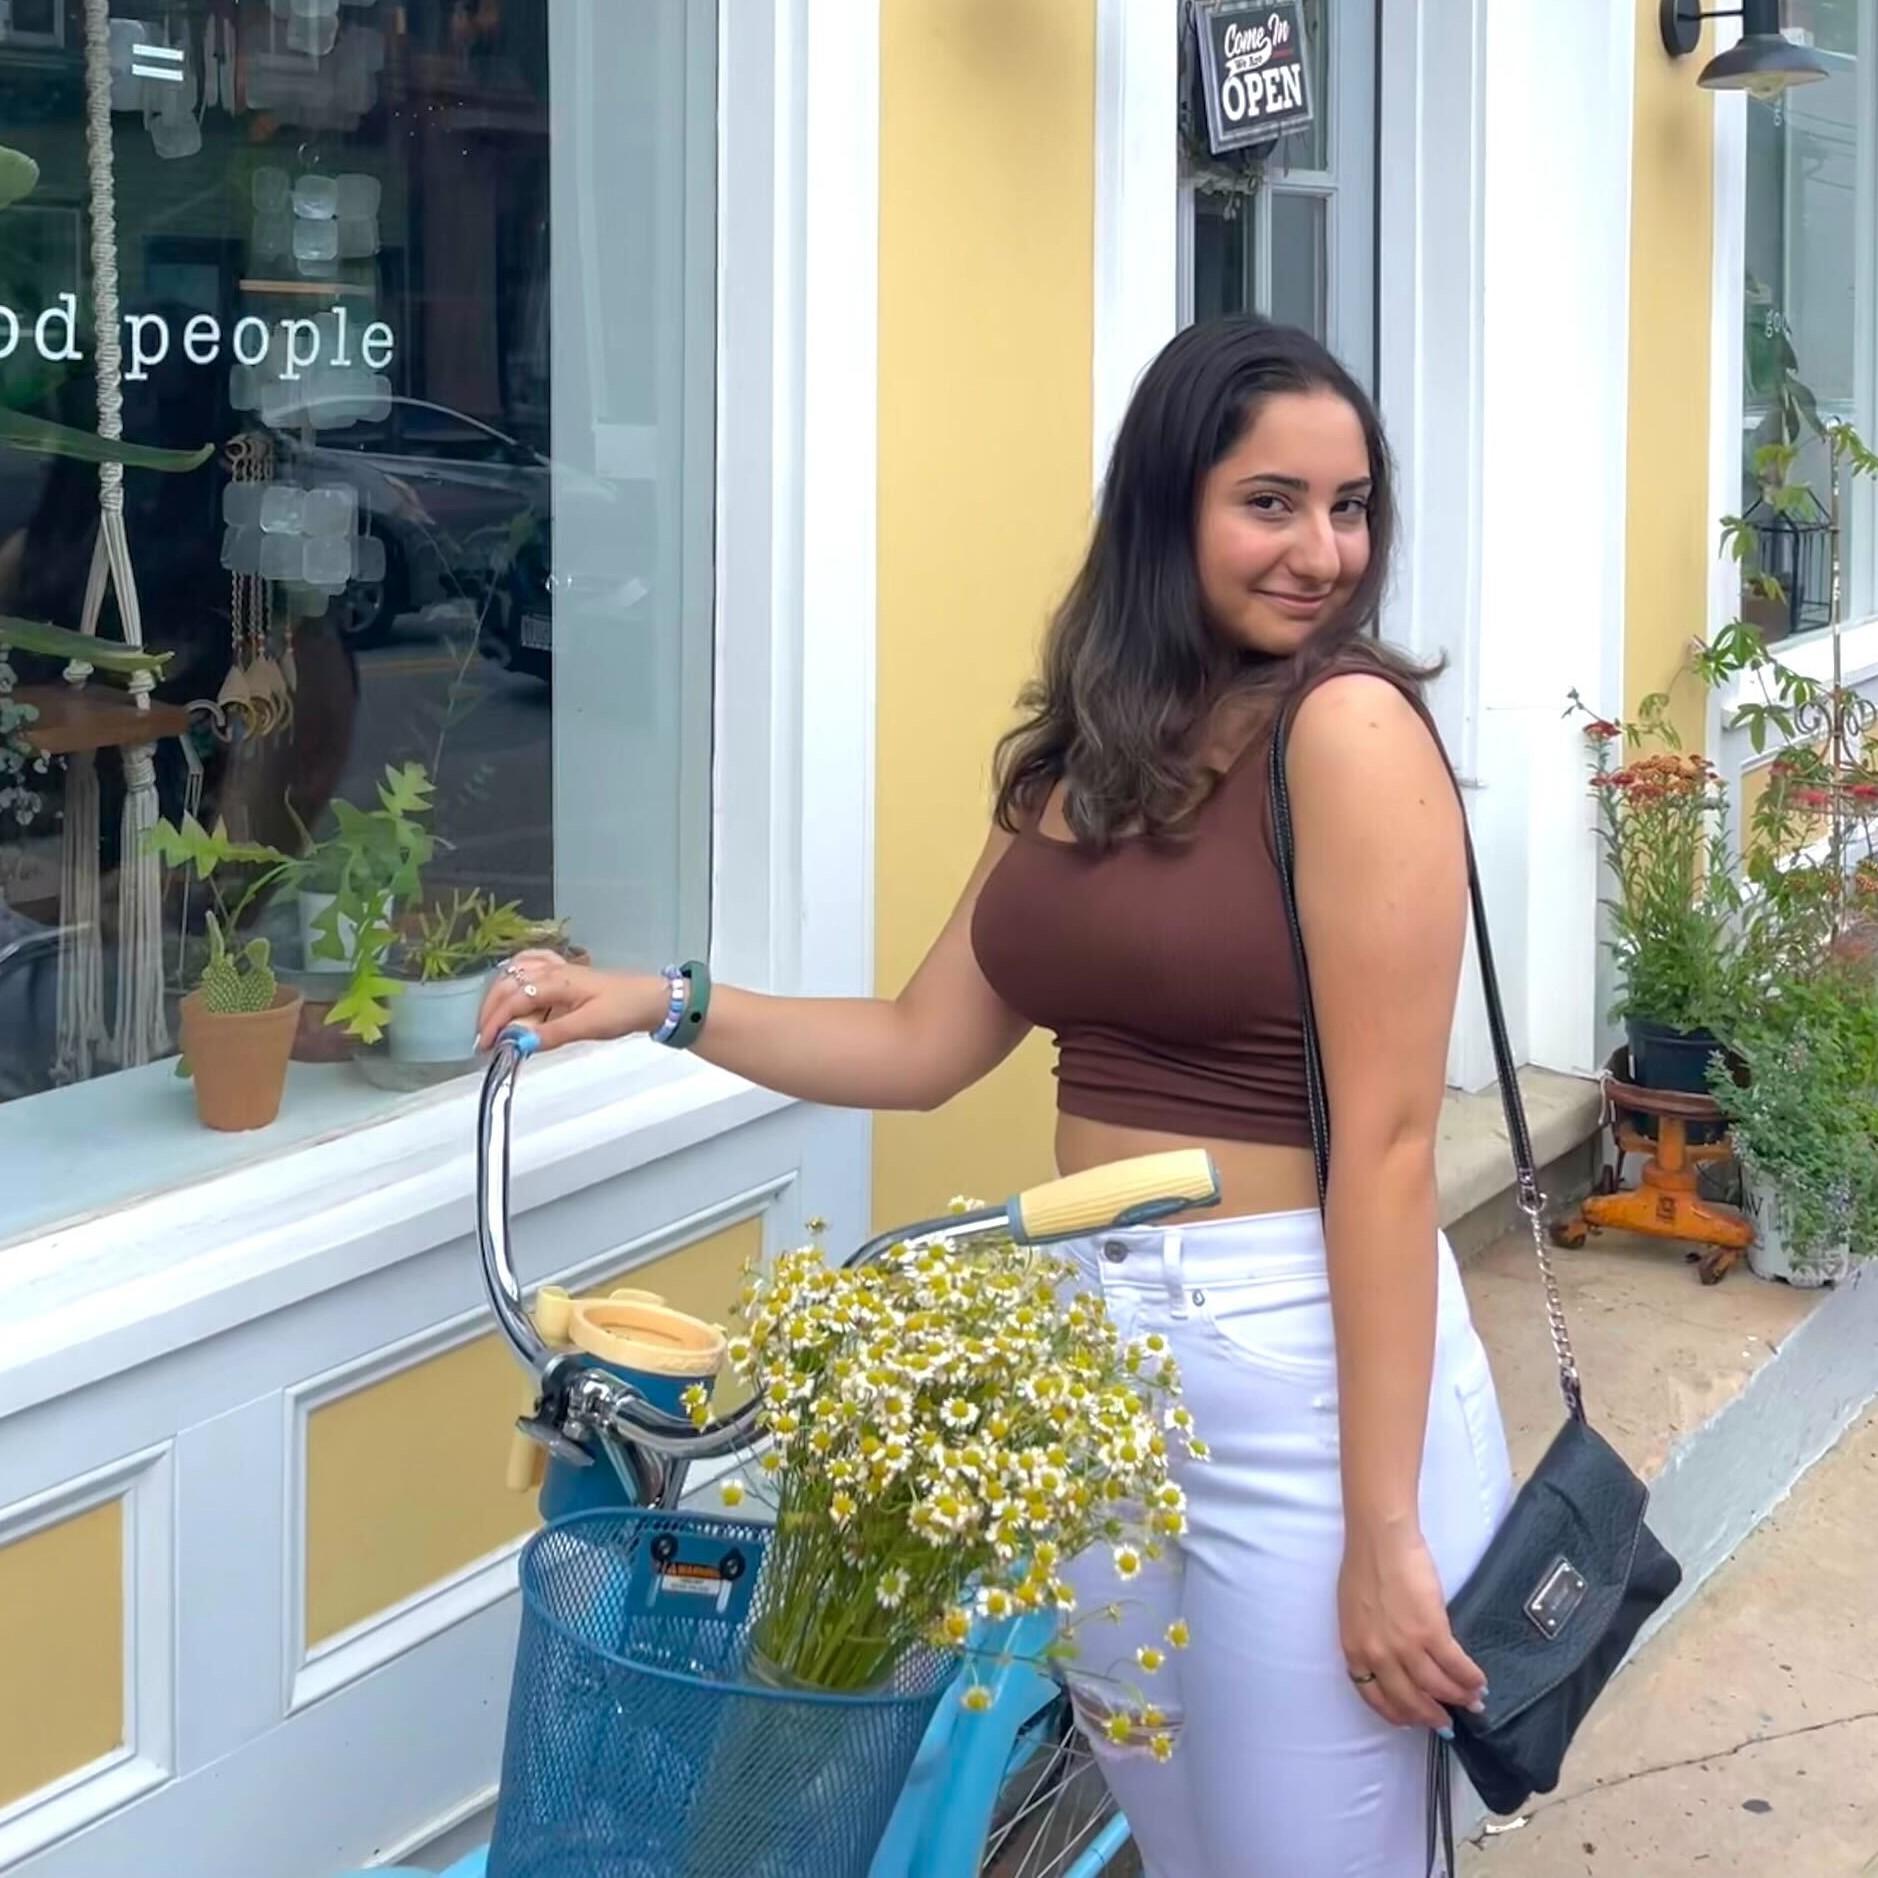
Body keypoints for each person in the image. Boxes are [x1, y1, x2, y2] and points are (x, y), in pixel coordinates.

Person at [478, 316, 1515, 1876]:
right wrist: (660, 1004)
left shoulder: (1347, 731)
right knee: (1181, 1838)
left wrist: (1384, 1527)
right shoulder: (1078, 759)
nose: (1322, 552)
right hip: (1092, 1358)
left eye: (1349, 504)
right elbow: (917, 1042)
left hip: (1294, 1353)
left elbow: (1381, 1147)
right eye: (1270, 502)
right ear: (1167, 508)